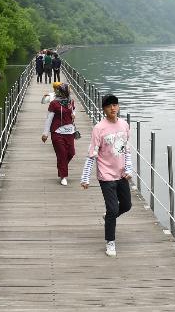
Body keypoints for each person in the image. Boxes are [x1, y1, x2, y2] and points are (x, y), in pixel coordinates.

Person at [80, 94, 133, 257]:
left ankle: (109, 216)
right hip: (106, 175)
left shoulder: (124, 125)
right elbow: (92, 155)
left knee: (127, 205)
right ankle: (110, 242)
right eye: (109, 106)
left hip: (122, 174)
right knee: (113, 208)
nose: (113, 108)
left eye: (115, 105)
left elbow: (127, 150)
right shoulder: (99, 128)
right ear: (104, 109)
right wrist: (85, 177)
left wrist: (129, 168)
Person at [41, 83, 76, 186]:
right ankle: (63, 176)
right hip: (57, 132)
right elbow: (49, 119)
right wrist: (45, 133)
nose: (68, 92)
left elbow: (74, 111)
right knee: (62, 153)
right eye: (67, 90)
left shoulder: (71, 101)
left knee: (71, 153)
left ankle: (61, 166)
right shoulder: (54, 103)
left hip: (69, 131)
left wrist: (73, 115)